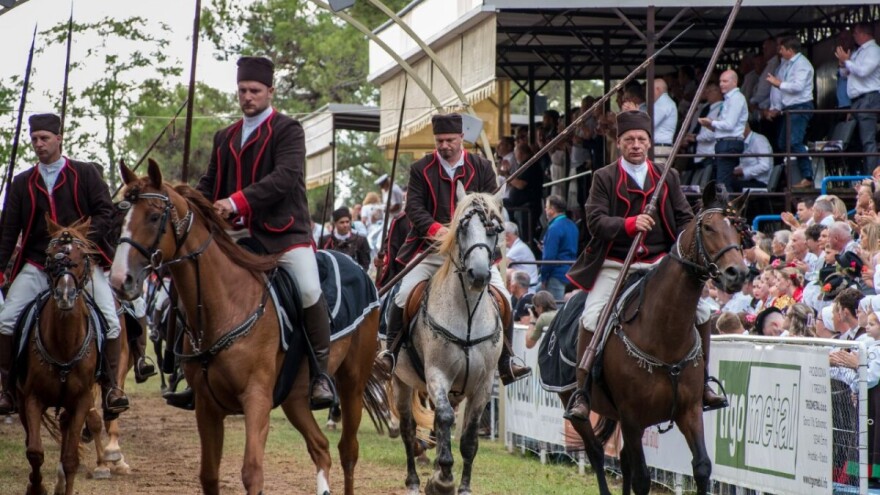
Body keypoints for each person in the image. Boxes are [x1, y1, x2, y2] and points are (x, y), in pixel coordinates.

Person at [190, 56, 335, 410]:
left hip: (284, 235)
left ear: (271, 91)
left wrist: (236, 201)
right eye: (242, 90)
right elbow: (210, 183)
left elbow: (283, 179)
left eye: (254, 90)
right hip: (237, 237)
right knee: (195, 279)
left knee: (308, 288)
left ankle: (320, 374)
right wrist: (187, 201)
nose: (247, 96)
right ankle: (190, 371)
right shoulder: (224, 136)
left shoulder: (289, 130)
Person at [565, 110, 726, 420]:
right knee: (591, 316)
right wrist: (629, 224)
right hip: (616, 263)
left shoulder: (668, 176)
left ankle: (704, 382)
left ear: (649, 143)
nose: (635, 145)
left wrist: (693, 237)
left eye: (641, 139)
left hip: (660, 264)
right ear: (619, 143)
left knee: (704, 311)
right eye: (629, 140)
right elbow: (595, 220)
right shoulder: (604, 177)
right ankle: (582, 392)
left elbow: (683, 218)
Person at [376, 113, 530, 385]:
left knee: (504, 297)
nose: (444, 145)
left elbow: (492, 205)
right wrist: (437, 230)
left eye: (450, 140)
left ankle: (507, 359)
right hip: (432, 250)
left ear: (461, 138)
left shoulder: (481, 166)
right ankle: (391, 352)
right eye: (440, 141)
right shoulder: (420, 168)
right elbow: (414, 208)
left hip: (474, 252)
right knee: (402, 296)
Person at [0, 113, 129, 417]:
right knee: (5, 320)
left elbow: (106, 212)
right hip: (38, 264)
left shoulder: (85, 174)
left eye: (44, 138)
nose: (38, 144)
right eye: (34, 139)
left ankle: (111, 388)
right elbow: (8, 229)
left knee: (111, 320)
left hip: (81, 266)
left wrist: (79, 240)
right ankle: (7, 390)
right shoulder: (21, 182)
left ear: (59, 139)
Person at [766, 36, 815, 188]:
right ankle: (791, 175)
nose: (779, 52)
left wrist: (779, 83)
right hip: (789, 108)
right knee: (783, 142)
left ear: (790, 50)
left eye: (782, 49)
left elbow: (798, 87)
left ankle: (807, 176)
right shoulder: (787, 64)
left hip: (800, 106)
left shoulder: (802, 64)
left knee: (794, 141)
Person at [837, 22, 880, 172]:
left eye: (855, 33)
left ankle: (872, 176)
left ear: (863, 34)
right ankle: (858, 174)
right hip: (856, 100)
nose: (853, 36)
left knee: (868, 139)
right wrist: (843, 64)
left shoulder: (874, 50)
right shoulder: (858, 52)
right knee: (854, 141)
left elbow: (863, 71)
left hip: (869, 98)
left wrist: (847, 61)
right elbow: (845, 74)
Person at [699, 70, 748, 193]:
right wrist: (710, 125)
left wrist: (711, 122)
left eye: (725, 81)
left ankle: (728, 205)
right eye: (720, 81)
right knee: (723, 180)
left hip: (729, 143)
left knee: (723, 182)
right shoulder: (729, 99)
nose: (721, 84)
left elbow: (729, 124)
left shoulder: (736, 98)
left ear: (735, 82)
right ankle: (729, 204)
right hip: (725, 142)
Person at [732, 124, 772, 191]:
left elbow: (765, 165)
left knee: (729, 185)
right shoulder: (745, 142)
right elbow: (746, 163)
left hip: (760, 182)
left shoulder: (758, 140)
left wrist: (743, 171)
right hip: (750, 180)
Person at [504, 221, 539, 290]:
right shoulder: (517, 246)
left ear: (507, 236)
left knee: (507, 272)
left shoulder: (518, 248)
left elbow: (501, 266)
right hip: (525, 284)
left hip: (528, 287)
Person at [651, 78, 678, 166]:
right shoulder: (664, 102)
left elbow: (650, 123)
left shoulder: (663, 102)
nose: (648, 94)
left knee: (656, 173)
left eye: (650, 90)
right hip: (660, 147)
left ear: (658, 89)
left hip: (659, 148)